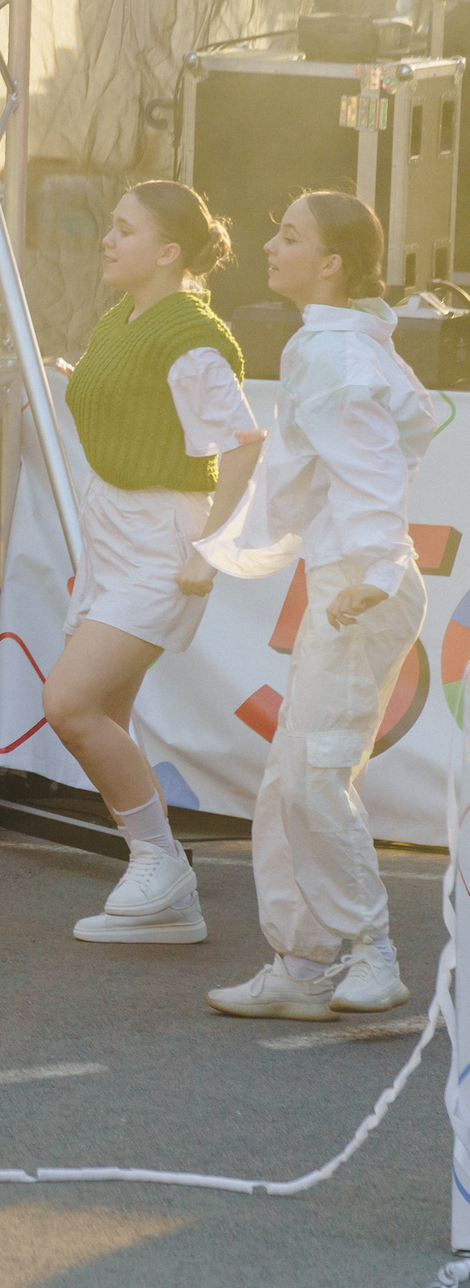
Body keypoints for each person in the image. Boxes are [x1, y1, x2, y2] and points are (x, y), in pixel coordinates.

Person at [197, 192, 438, 1021]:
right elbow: (403, 434)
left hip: (360, 587)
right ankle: (303, 964)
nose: (269, 243)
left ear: (331, 262)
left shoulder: (335, 354)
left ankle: (370, 948)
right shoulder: (348, 343)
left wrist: (372, 560)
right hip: (357, 582)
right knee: (291, 781)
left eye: (288, 234)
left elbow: (371, 461)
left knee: (313, 778)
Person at [40, 181, 259, 945]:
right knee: (106, 715)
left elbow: (243, 445)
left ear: (168, 252)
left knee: (69, 705)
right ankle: (167, 893)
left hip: (162, 541)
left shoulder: (190, 336)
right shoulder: (123, 318)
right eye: (110, 225)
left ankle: (161, 864)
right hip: (115, 533)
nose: (107, 238)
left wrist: (209, 549)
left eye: (124, 229)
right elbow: (139, 403)